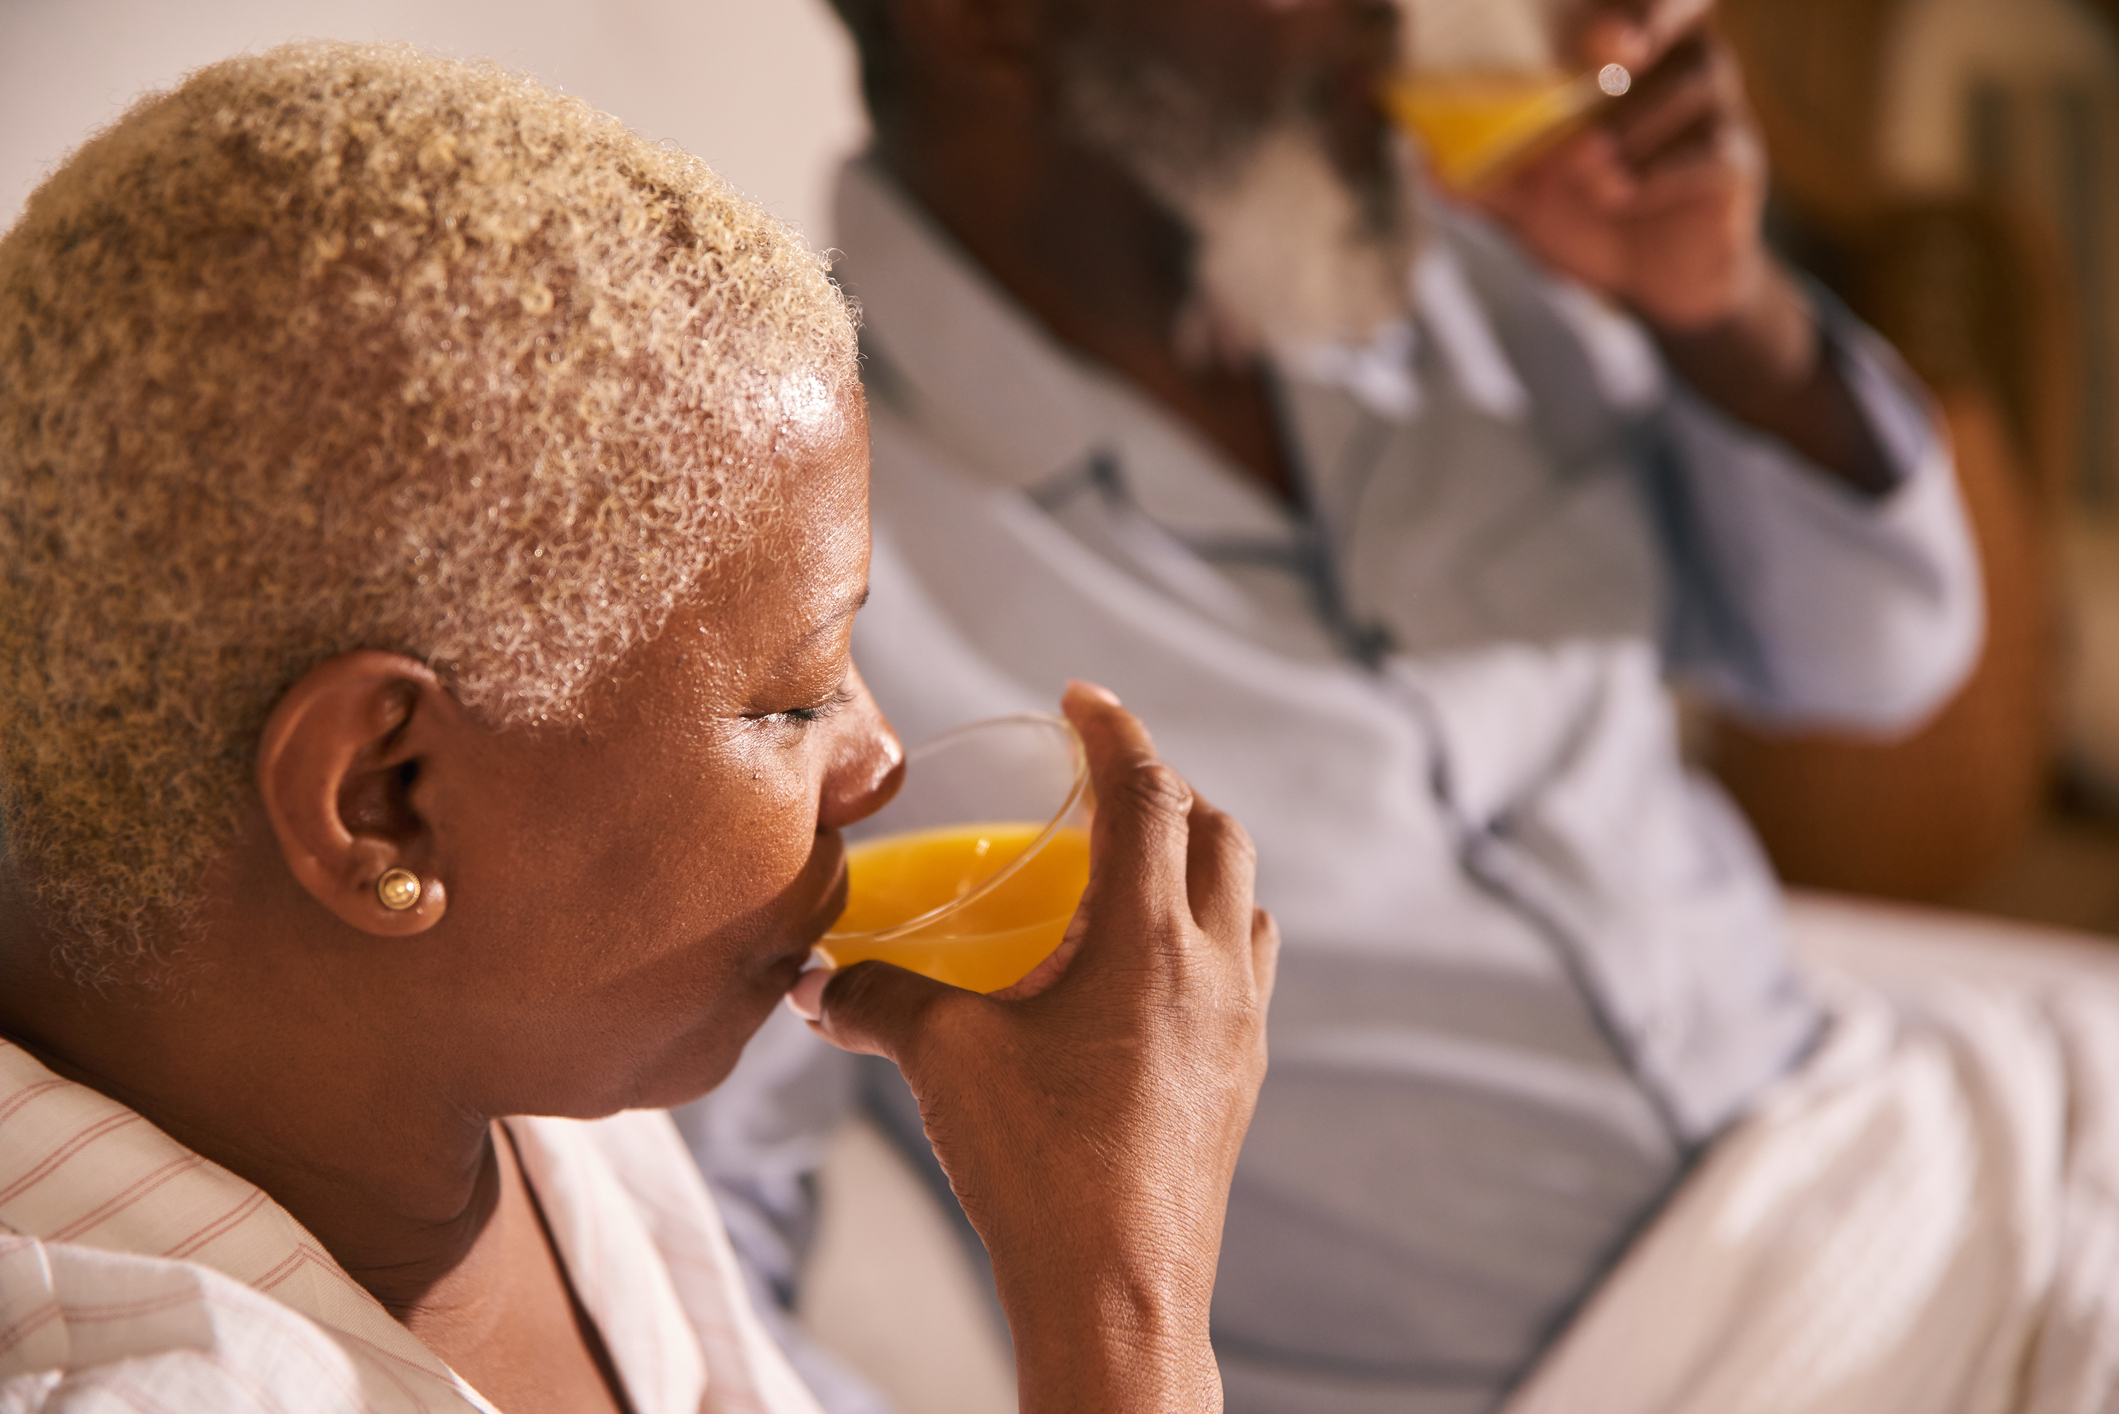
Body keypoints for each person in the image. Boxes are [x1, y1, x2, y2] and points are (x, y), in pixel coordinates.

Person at [677, 0, 1985, 1410]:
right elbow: (690, 1252)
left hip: (1924, 1167)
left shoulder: (1467, 278)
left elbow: (1886, 662)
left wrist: (1725, 311)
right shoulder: (784, 546)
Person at [0, 41, 1280, 1413]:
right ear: (387, 795)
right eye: (795, 696)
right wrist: (1121, 1320)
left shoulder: (490, 1088)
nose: (880, 759)